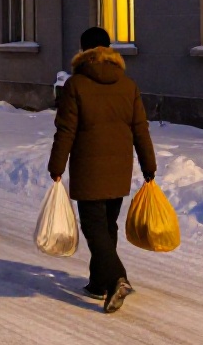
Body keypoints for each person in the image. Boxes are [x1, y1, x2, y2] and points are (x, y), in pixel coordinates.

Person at [48, 26, 156, 314]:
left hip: (89, 169)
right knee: (107, 226)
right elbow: (140, 130)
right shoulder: (127, 85)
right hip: (119, 169)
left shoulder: (75, 86)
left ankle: (116, 278)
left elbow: (66, 130)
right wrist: (149, 166)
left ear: (84, 52)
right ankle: (99, 283)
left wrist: (56, 166)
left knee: (94, 227)